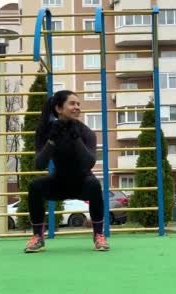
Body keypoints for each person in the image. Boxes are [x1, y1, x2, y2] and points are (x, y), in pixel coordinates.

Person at [24, 90, 110, 253]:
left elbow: (89, 164)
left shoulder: (86, 133)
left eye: (78, 104)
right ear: (58, 108)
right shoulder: (45, 130)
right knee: (35, 186)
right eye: (72, 103)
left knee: (94, 185)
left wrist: (75, 138)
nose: (77, 107)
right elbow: (40, 165)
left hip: (82, 182)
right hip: (59, 182)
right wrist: (51, 141)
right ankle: (38, 237)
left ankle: (99, 235)